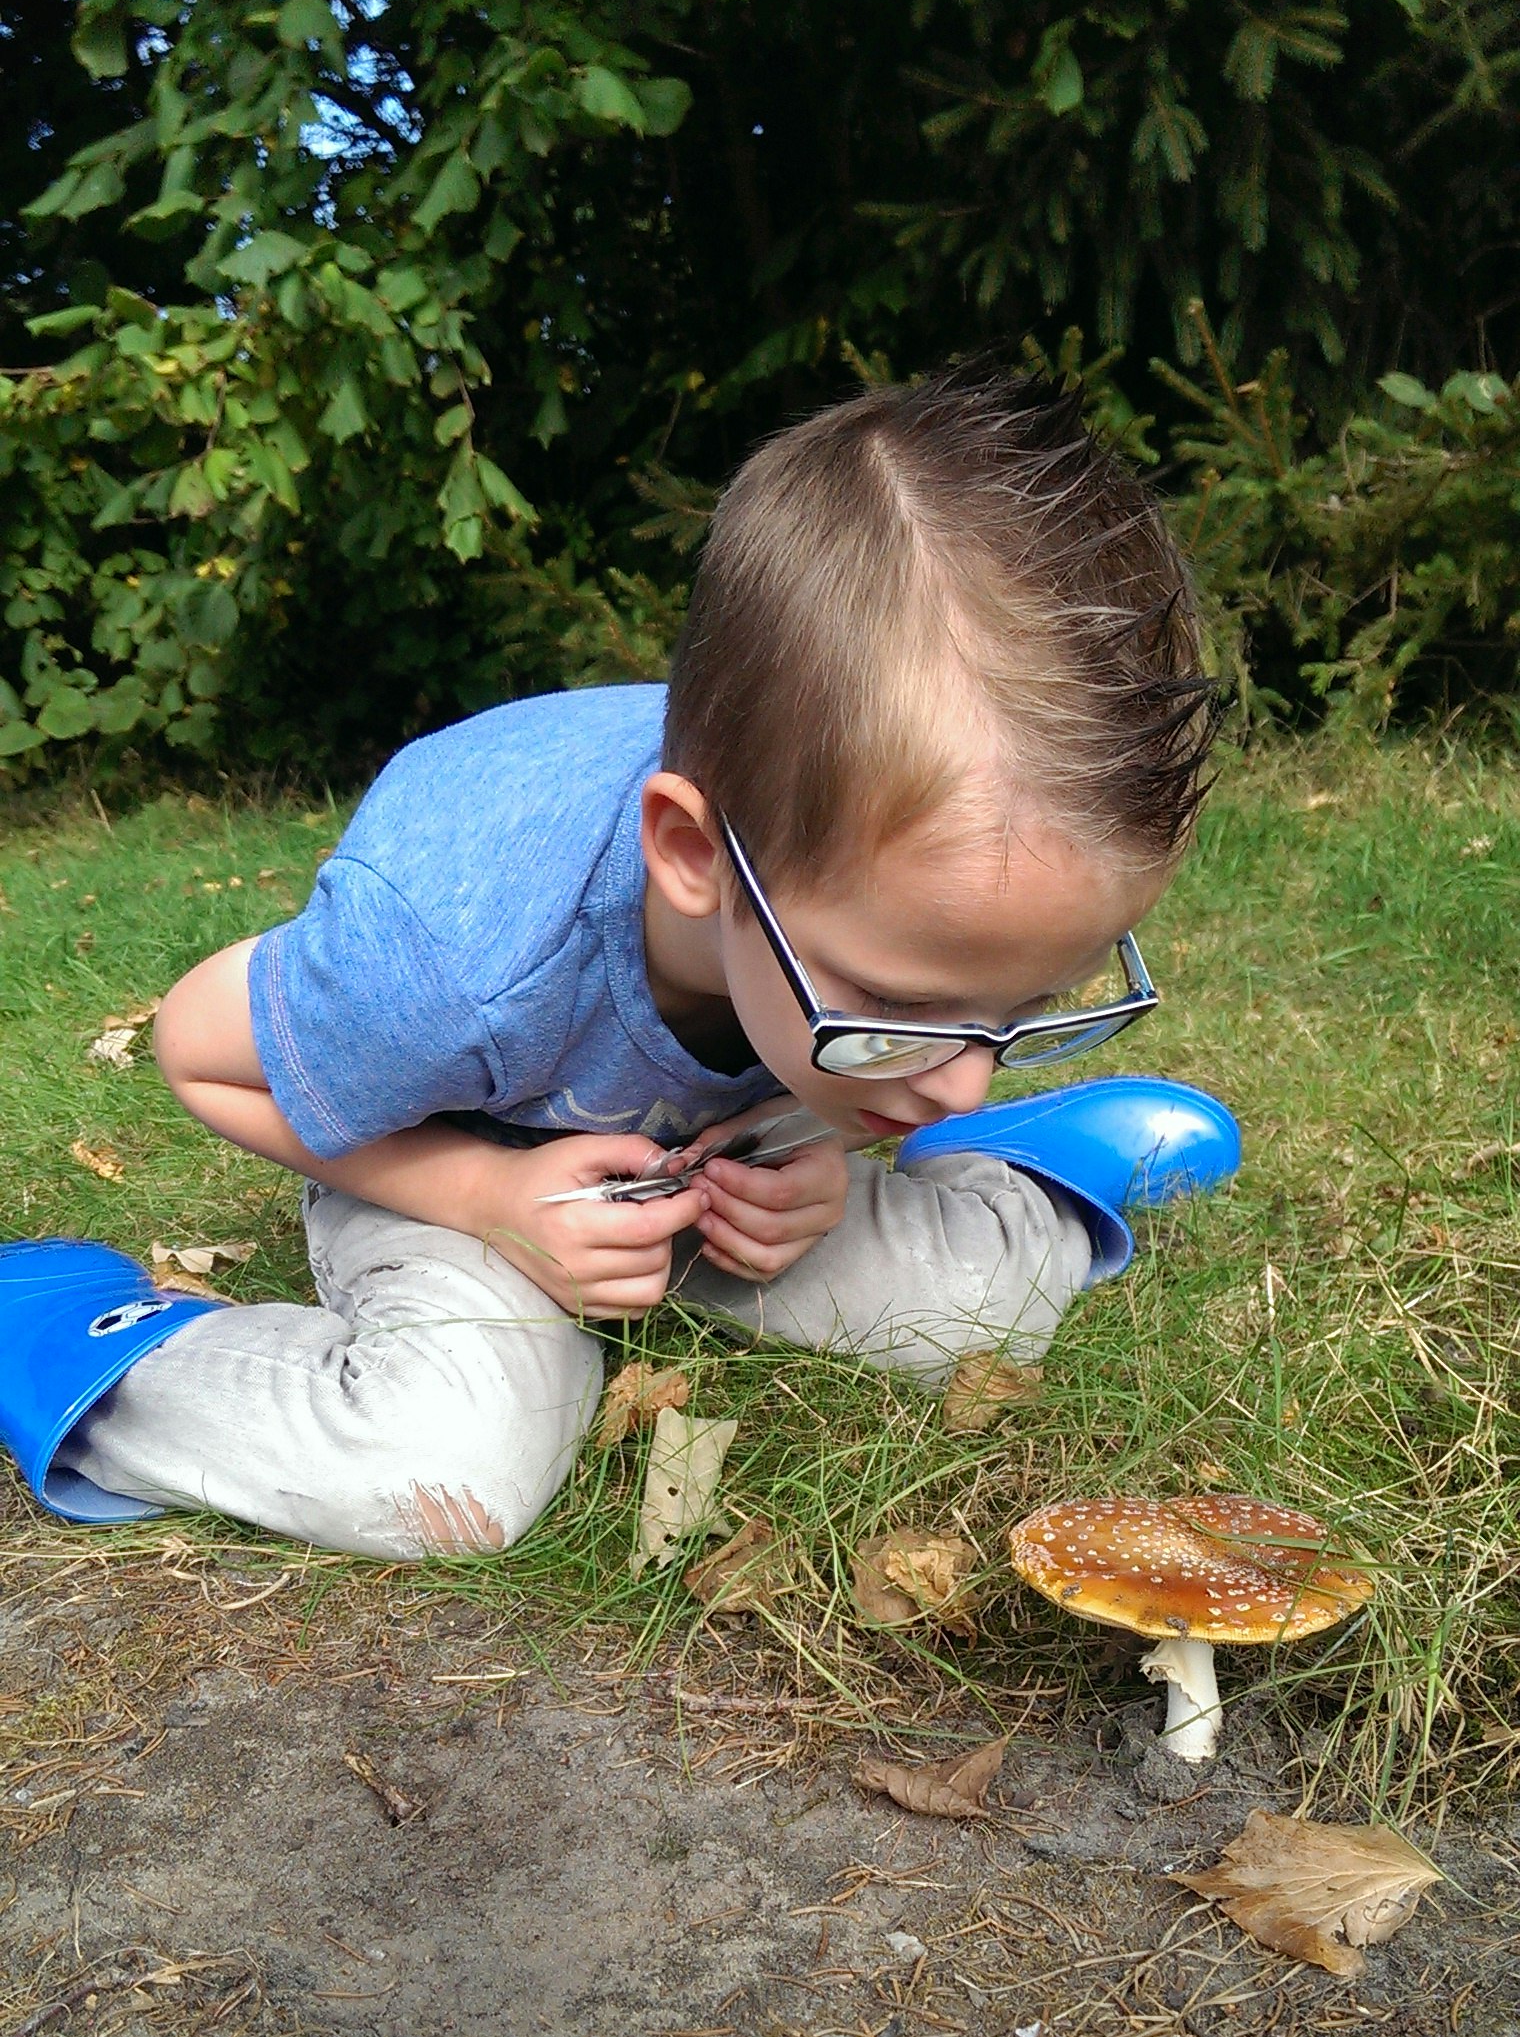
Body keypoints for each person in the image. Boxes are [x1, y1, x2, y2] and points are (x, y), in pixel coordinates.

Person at [2, 362, 1221, 1559]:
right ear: (692, 854)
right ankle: (76, 1335)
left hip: (687, 1161)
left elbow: (899, 1029)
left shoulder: (847, 888)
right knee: (449, 1466)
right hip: (440, 1154)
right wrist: (485, 1200)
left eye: (1026, 1009)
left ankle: (1012, 1174)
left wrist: (825, 1154)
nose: (961, 1074)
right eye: (901, 1008)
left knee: (975, 1313)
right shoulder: (447, 955)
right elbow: (198, 1053)